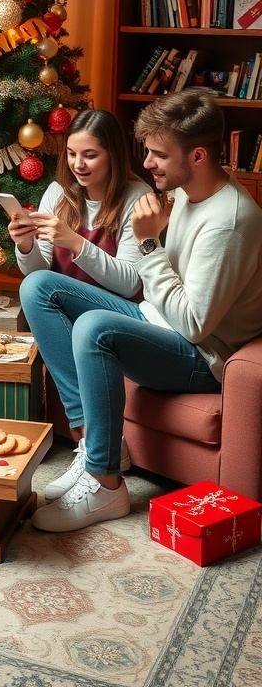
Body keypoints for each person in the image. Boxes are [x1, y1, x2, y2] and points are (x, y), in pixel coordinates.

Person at [20, 88, 262, 533]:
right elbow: (159, 291)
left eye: (158, 155)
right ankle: (91, 441)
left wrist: (149, 243)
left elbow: (193, 324)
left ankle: (105, 483)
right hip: (158, 320)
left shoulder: (228, 222)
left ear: (198, 156)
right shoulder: (188, 191)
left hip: (201, 356)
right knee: (38, 287)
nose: (147, 163)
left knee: (94, 327)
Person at [8, 108, 149, 496]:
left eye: (90, 155)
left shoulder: (137, 197)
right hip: (67, 310)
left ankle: (90, 441)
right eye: (71, 154)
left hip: (119, 314)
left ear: (113, 155)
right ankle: (90, 437)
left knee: (41, 287)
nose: (78, 165)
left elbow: (130, 282)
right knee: (34, 285)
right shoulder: (59, 193)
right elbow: (37, 272)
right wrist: (25, 244)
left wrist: (73, 241)